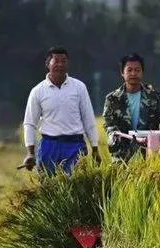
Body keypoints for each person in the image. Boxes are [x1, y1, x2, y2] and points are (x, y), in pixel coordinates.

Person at [20, 46, 101, 174]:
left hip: (75, 145)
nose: (60, 65)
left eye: (64, 61)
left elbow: (88, 119)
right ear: (47, 64)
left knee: (76, 184)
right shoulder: (38, 91)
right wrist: (30, 153)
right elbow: (29, 123)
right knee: (49, 186)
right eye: (56, 61)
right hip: (49, 145)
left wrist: (95, 148)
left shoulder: (79, 88)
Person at [102, 53, 160, 164]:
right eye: (129, 70)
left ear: (142, 72)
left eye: (137, 70)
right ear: (122, 73)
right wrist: (115, 136)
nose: (133, 73)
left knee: (154, 178)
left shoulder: (154, 96)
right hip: (122, 156)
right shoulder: (113, 99)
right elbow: (110, 125)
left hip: (151, 152)